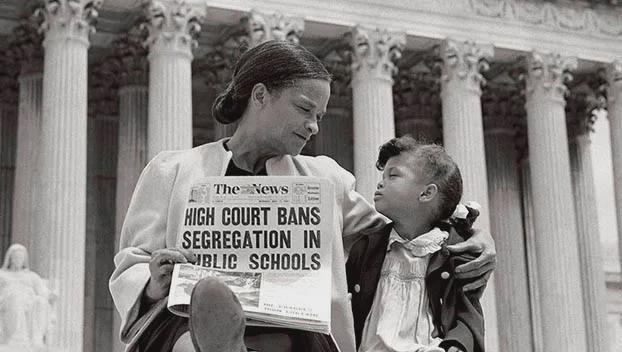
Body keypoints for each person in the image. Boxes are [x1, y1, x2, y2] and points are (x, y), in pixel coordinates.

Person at [109, 40, 496, 352]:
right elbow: (131, 263)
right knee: (189, 337)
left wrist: (467, 232)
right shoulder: (172, 170)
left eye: (320, 117)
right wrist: (154, 281)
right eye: (304, 109)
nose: (312, 126)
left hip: (297, 331)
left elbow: (404, 229)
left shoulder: (325, 178)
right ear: (260, 95)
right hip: (192, 321)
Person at [346, 136, 484, 352]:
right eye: (383, 175)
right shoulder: (366, 248)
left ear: (427, 193)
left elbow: (467, 314)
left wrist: (458, 346)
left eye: (393, 175)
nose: (380, 182)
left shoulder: (453, 252)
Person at [0, 244, 55, 346]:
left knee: (41, 302)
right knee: (16, 298)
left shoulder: (31, 276)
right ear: (10, 258)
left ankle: (36, 340)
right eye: (15, 257)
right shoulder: (2, 275)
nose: (18, 260)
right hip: (8, 300)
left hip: (29, 302)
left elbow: (42, 291)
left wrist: (50, 295)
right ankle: (16, 339)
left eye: (21, 258)